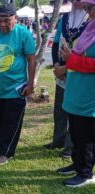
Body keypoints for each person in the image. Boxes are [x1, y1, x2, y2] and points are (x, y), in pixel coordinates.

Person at [0, 3, 36, 165]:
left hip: (16, 89)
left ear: (15, 19)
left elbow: (31, 60)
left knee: (11, 123)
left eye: (7, 20)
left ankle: (6, 152)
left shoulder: (23, 34)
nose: (3, 24)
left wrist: (30, 84)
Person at [57, 0, 95, 187]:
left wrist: (71, 59)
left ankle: (86, 173)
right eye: (86, 9)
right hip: (76, 91)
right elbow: (82, 57)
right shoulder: (90, 29)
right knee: (76, 132)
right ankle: (77, 163)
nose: (88, 13)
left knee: (85, 136)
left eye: (91, 8)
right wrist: (69, 56)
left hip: (89, 95)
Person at [44, 0, 88, 159]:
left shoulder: (90, 20)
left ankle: (70, 147)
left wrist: (67, 69)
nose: (76, 2)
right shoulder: (65, 18)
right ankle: (58, 140)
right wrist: (56, 65)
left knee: (73, 111)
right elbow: (55, 44)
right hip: (61, 71)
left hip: (77, 73)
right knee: (59, 109)